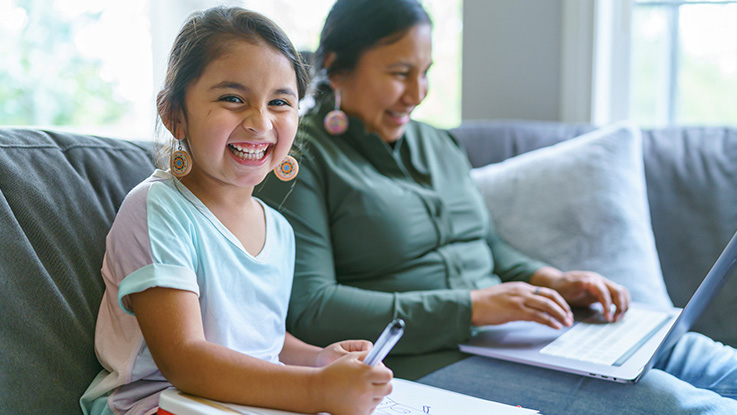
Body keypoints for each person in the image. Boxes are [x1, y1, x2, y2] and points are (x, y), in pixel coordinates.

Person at [254, 0, 737, 413]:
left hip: (521, 341)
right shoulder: (300, 161)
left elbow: (486, 246)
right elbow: (312, 309)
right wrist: (472, 308)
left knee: (720, 368)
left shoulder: (438, 145)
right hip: (427, 361)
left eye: (425, 74)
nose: (418, 94)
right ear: (337, 67)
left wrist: (551, 280)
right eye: (399, 73)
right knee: (669, 403)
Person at [80, 7, 392, 415]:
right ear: (174, 115)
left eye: (280, 102)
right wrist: (317, 389)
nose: (260, 123)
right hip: (159, 405)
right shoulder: (157, 208)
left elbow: (262, 342)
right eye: (233, 98)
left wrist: (319, 360)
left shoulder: (279, 229)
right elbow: (185, 360)